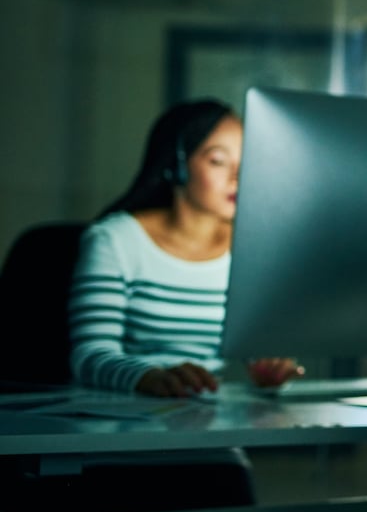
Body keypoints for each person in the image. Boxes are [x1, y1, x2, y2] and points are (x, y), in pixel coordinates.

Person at [69, 98, 302, 396]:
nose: (238, 177)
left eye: (247, 162)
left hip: (206, 417)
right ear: (177, 166)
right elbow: (89, 354)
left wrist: (269, 363)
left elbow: (252, 344)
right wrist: (150, 377)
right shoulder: (115, 241)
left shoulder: (250, 249)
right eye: (218, 161)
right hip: (125, 419)